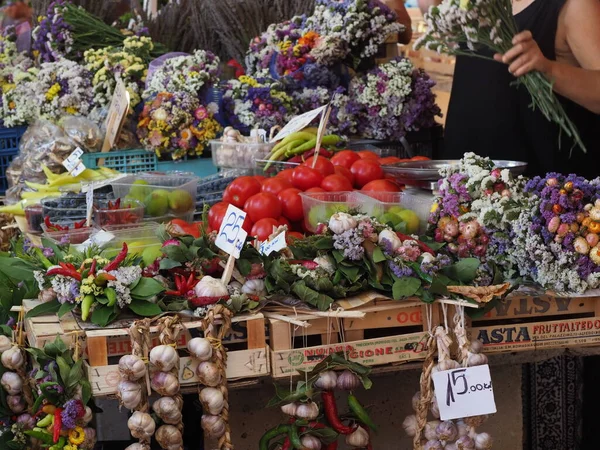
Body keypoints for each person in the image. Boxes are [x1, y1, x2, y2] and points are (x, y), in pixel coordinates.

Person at [418, 0, 600, 179]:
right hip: (466, 182)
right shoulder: (472, 5)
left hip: (540, 192)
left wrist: (549, 70)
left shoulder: (575, 5)